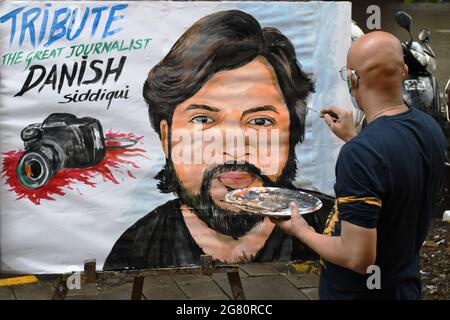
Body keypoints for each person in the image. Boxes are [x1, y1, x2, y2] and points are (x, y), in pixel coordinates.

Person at [103, 10, 333, 270]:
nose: (234, 148)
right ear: (167, 137)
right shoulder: (135, 250)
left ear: (292, 133)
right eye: (203, 120)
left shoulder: (334, 228)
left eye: (260, 121)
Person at [272, 31, 446, 299]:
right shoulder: (430, 129)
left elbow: (358, 258)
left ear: (353, 78)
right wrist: (354, 138)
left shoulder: (363, 153)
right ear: (404, 71)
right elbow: (394, 173)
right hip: (404, 286)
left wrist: (301, 230)